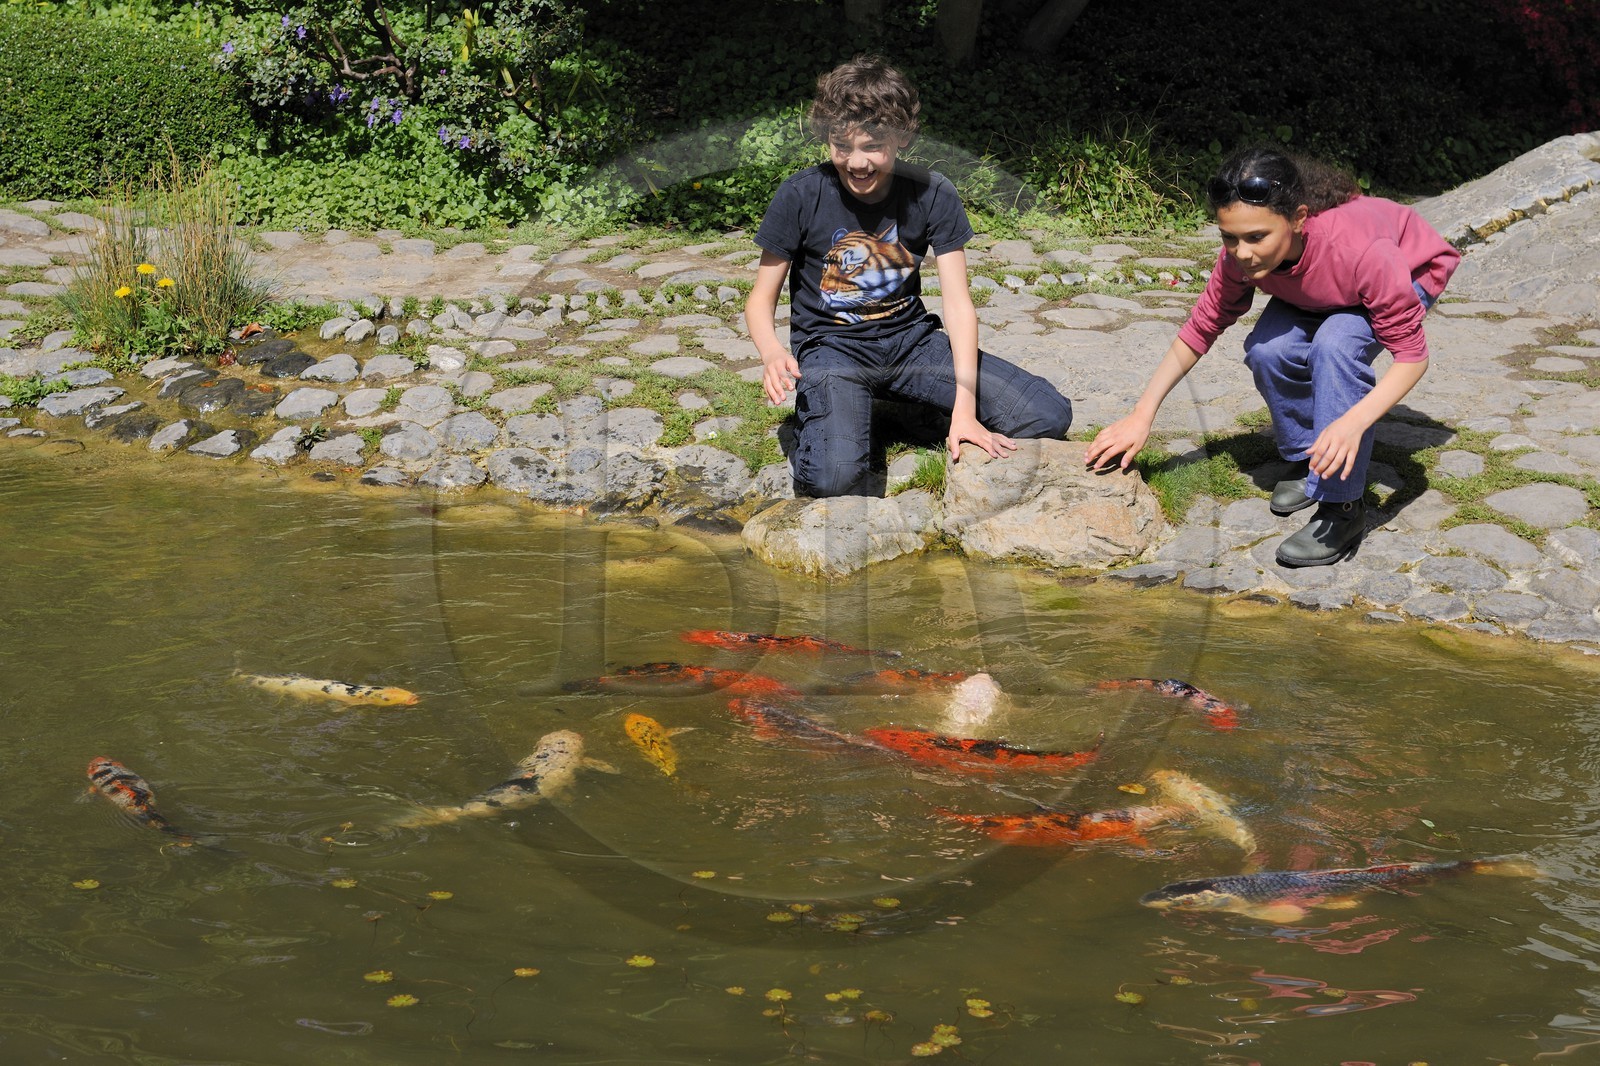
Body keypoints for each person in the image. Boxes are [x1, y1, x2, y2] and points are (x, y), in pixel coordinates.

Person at [1084, 145, 1460, 567]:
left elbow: (1411, 356)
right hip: (1324, 288)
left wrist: (1352, 423)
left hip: (1405, 272)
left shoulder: (1362, 251)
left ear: (1298, 219)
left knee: (1336, 345)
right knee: (1269, 349)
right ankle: (1308, 459)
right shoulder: (1243, 257)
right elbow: (1200, 328)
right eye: (1230, 237)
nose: (1242, 252)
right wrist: (1142, 414)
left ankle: (1343, 508)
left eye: (1257, 237)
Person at [745, 55, 1073, 498]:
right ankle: (837, 416)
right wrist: (770, 352)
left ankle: (895, 411)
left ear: (901, 137)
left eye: (872, 146)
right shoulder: (800, 194)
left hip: (912, 343)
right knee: (835, 480)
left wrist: (965, 408)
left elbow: (958, 305)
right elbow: (760, 300)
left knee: (1047, 415)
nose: (856, 162)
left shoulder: (932, 192)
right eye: (842, 146)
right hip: (832, 351)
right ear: (826, 139)